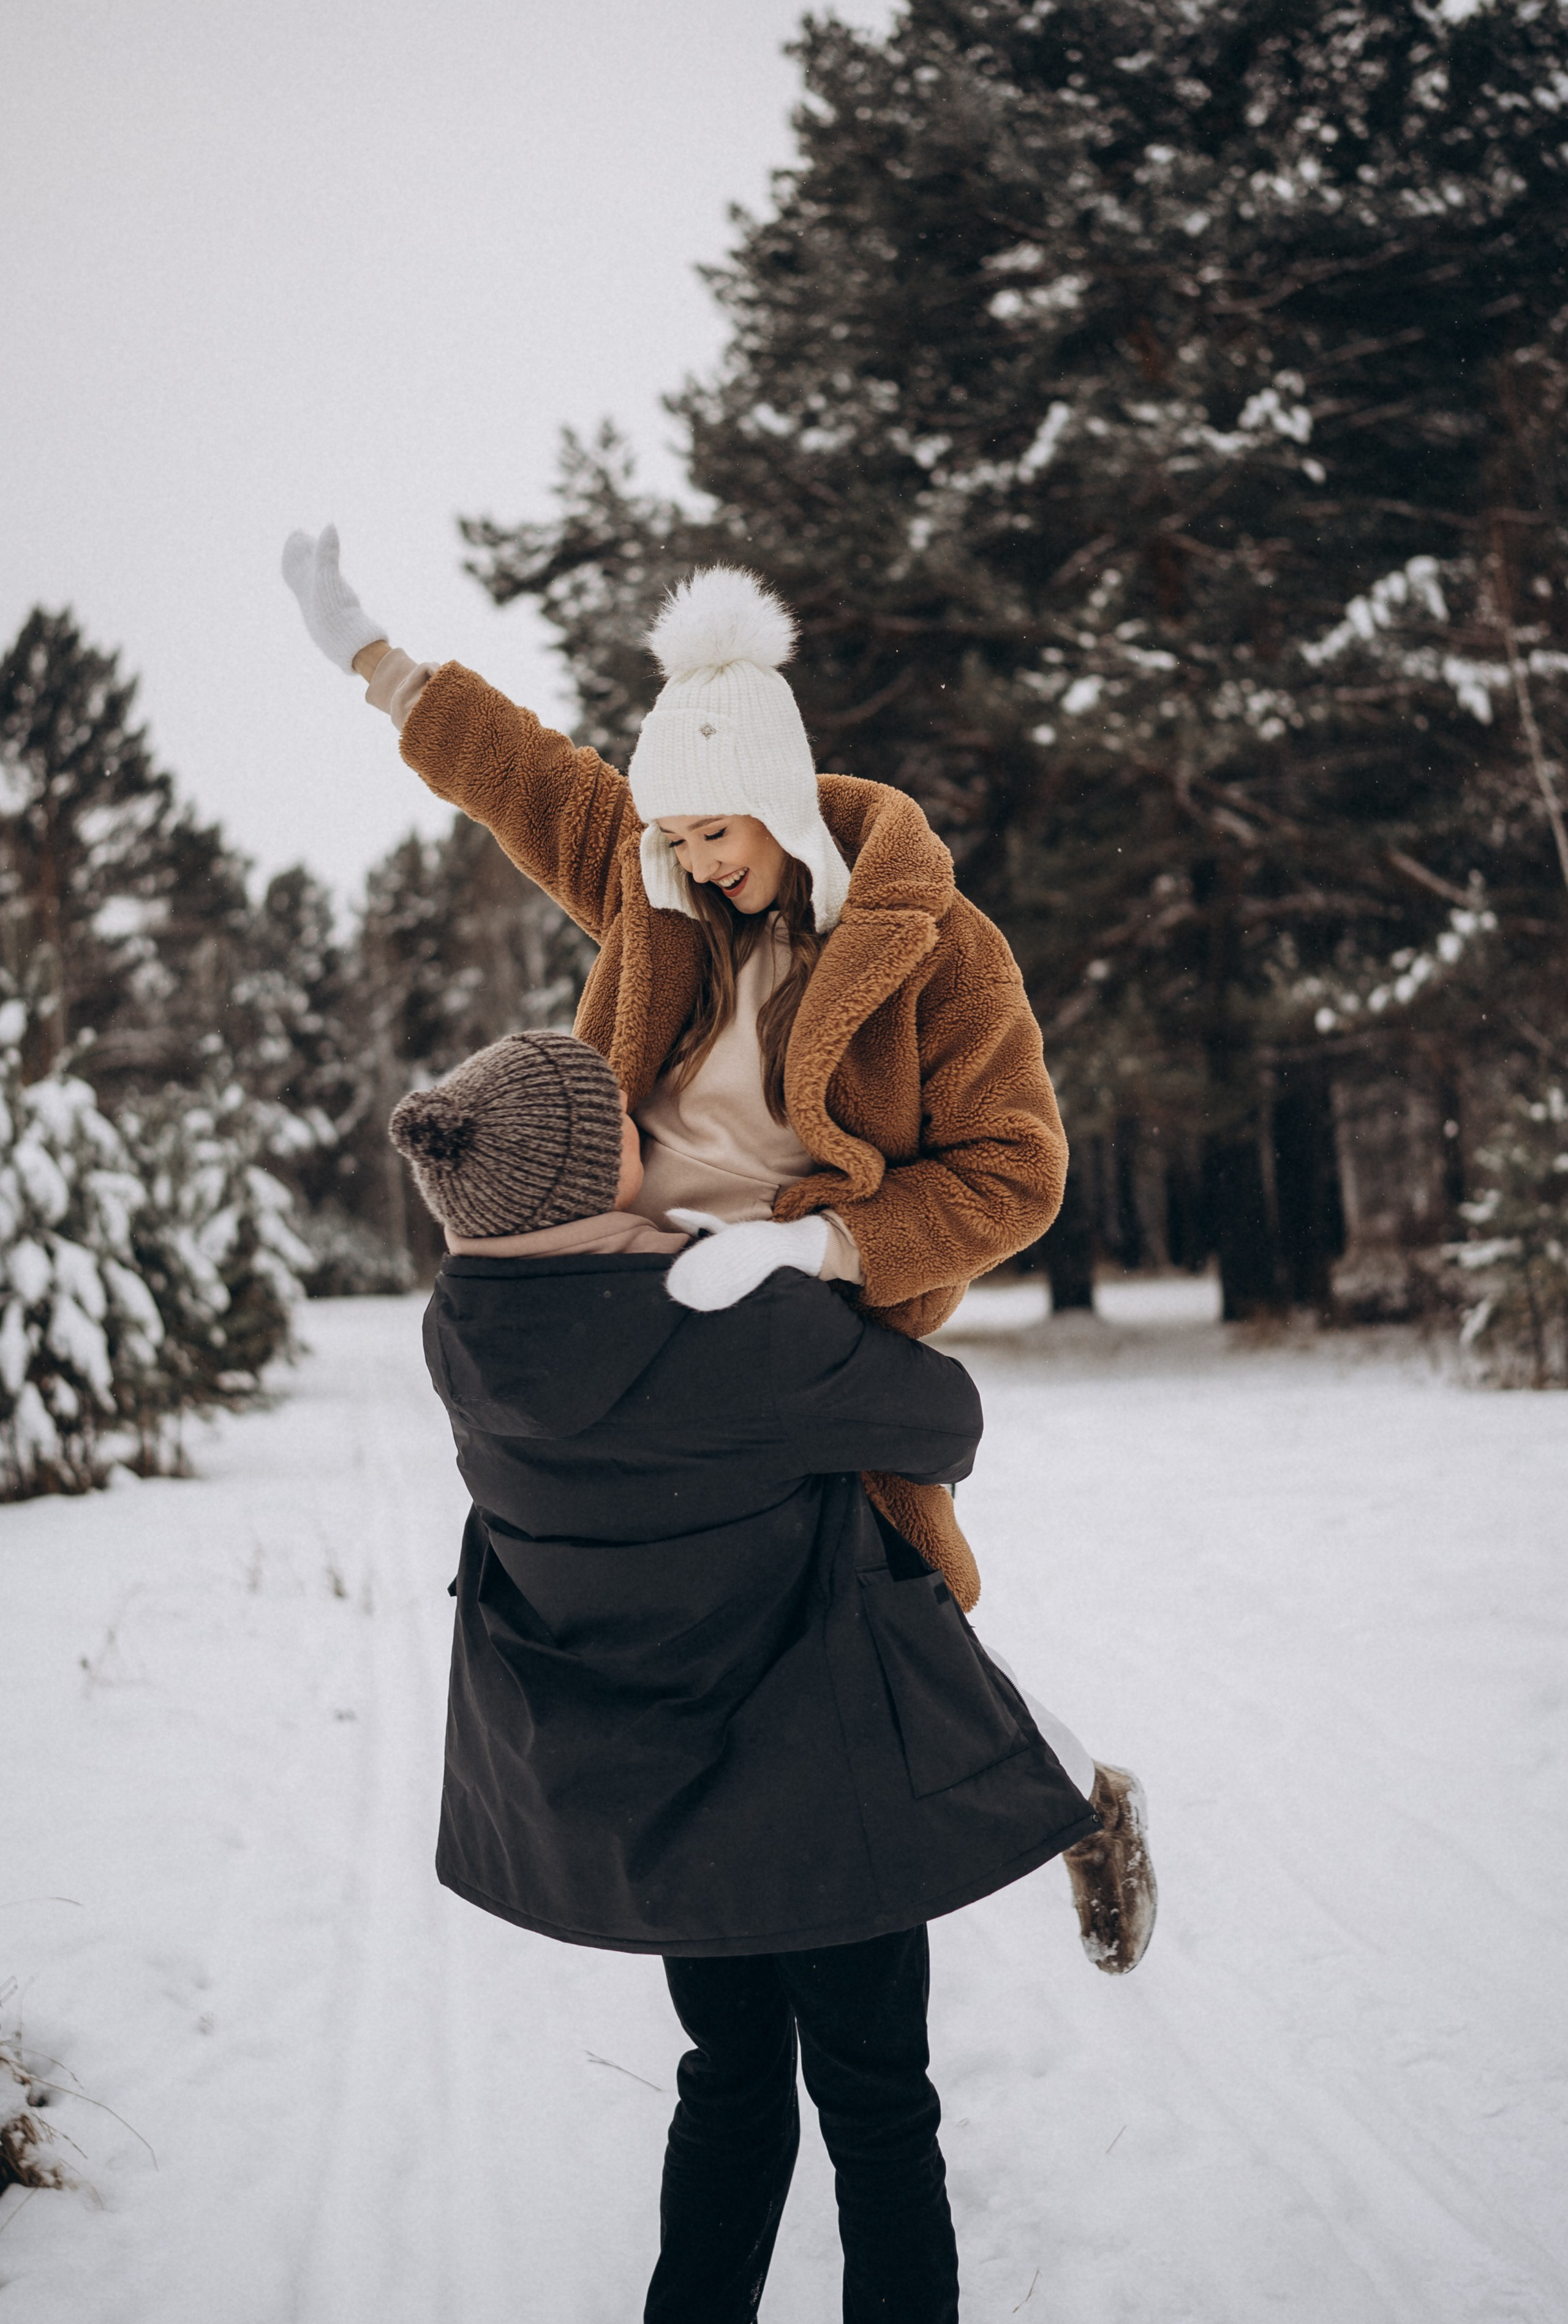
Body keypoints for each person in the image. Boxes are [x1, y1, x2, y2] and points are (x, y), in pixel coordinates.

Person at [281, 529, 1155, 1976]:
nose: (689, 860)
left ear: (777, 806)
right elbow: (524, 775)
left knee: (890, 1619)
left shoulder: (936, 952)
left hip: (789, 1315)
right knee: (689, 1631)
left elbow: (1017, 1172)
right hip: (631, 1286)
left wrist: (823, 1248)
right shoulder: (654, 897)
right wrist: (378, 663)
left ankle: (1072, 1803)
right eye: (672, 838)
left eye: (714, 835)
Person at [387, 1026, 1104, 2323]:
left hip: (666, 1811)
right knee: (878, 2108)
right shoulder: (727, 1326)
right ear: (589, 1172)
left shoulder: (465, 1338)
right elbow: (943, 1422)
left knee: (727, 2080)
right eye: (619, 1117)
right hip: (821, 1792)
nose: (648, 1122)